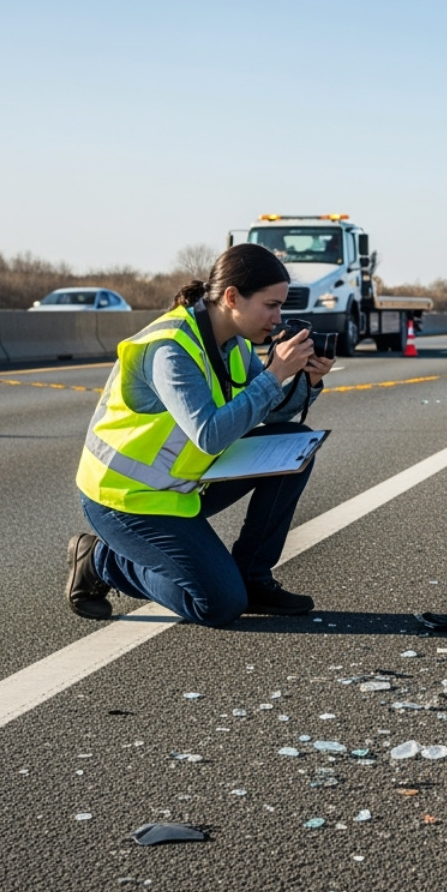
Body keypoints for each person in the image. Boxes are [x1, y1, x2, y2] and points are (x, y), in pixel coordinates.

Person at [66, 243, 334, 626]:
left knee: (294, 443)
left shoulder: (233, 343)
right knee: (220, 604)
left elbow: (267, 410)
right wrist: (275, 373)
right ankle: (101, 560)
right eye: (271, 305)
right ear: (231, 297)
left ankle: (253, 578)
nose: (278, 317)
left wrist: (308, 380)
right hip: (126, 500)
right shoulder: (170, 349)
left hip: (182, 486)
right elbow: (209, 434)